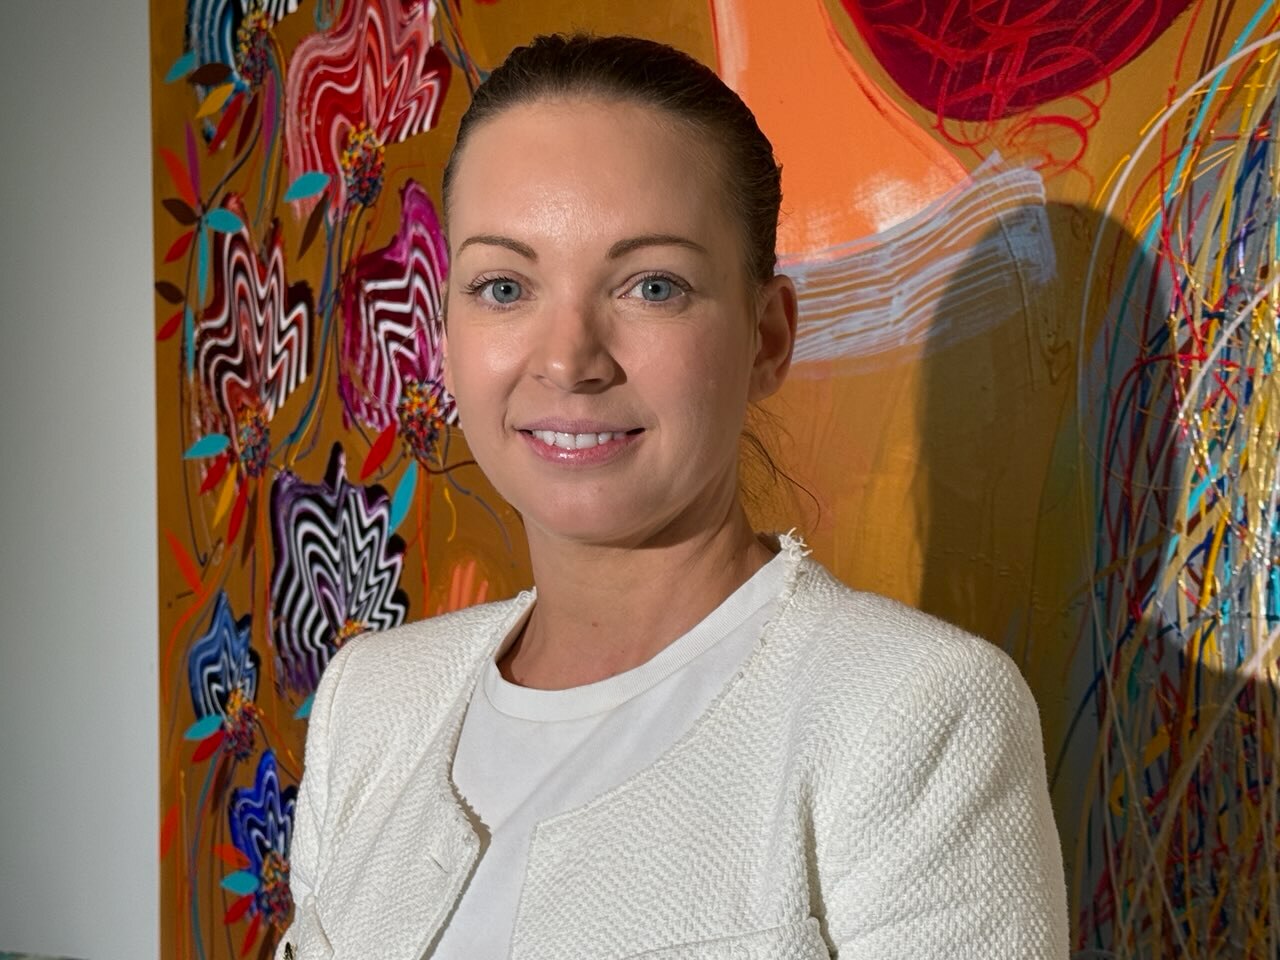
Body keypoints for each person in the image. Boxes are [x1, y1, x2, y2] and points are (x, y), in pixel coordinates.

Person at [277, 33, 1069, 960]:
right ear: (446, 331)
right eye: (504, 285)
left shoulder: (912, 715)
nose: (569, 358)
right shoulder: (371, 704)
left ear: (767, 339)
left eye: (653, 286)